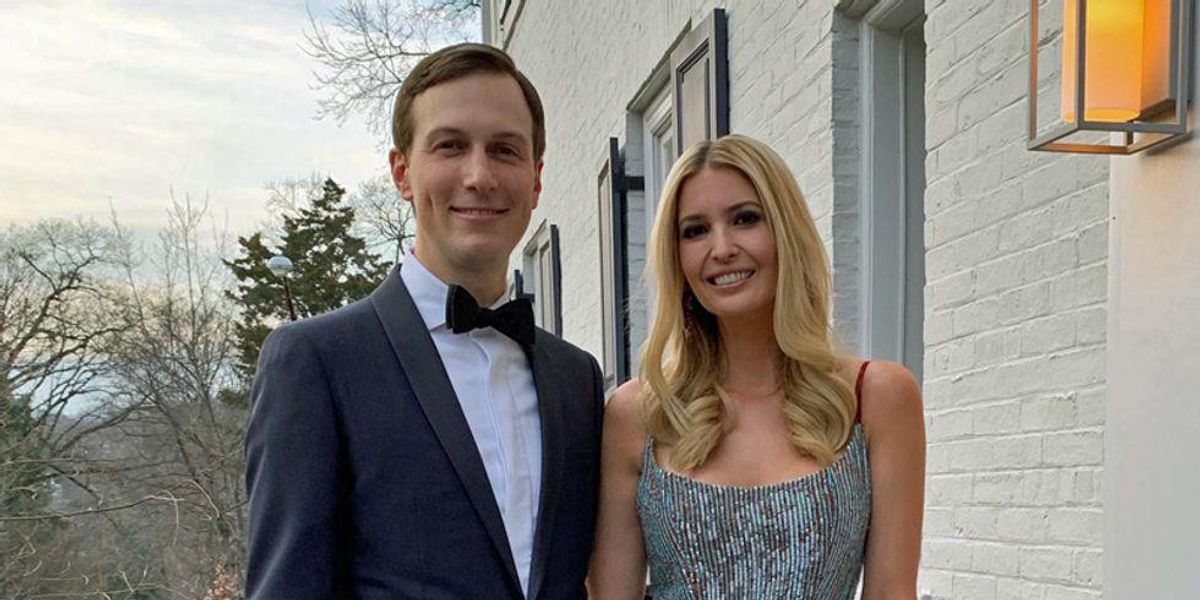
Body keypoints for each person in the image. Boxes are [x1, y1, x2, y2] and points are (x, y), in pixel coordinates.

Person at [244, 43, 604, 600]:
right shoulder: (316, 361)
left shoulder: (576, 379)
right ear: (402, 172)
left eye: (505, 150)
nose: (479, 175)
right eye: (450, 146)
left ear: (535, 180)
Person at [589, 134, 925, 599]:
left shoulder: (876, 397)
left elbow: (891, 592)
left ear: (786, 231)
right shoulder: (640, 414)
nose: (721, 248)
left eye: (745, 219)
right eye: (695, 230)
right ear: (676, 257)